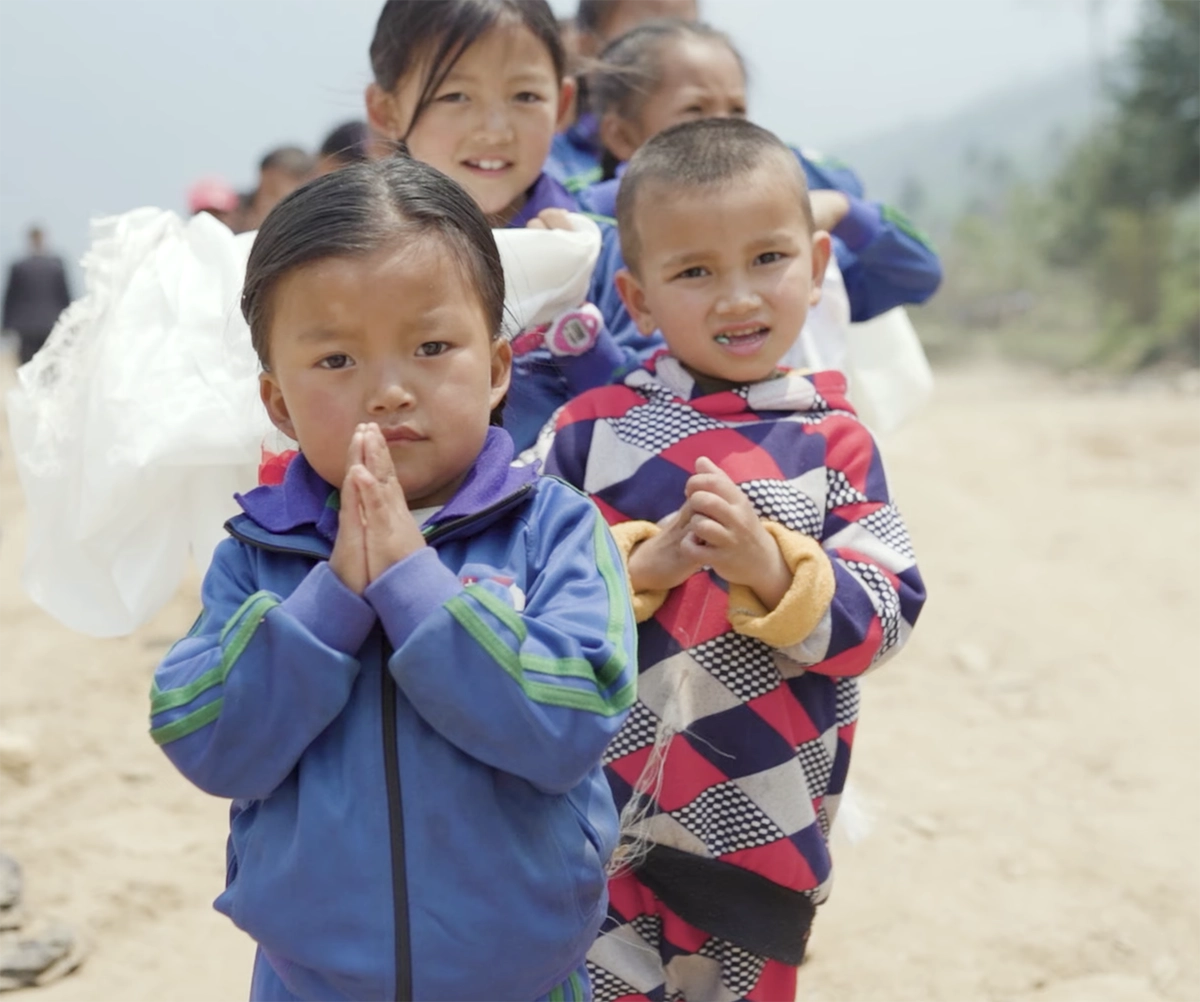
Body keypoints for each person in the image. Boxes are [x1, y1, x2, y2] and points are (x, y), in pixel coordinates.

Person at [148, 156, 637, 1002]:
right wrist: (330, 601)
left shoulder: (554, 529)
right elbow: (206, 738)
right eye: (335, 360)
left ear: (495, 368)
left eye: (432, 346)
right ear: (277, 402)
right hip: (311, 983)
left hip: (523, 979)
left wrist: (415, 587)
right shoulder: (259, 552)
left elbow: (574, 722)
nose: (388, 391)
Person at [542, 119, 926, 1002]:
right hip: (588, 829)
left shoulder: (833, 444)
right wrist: (639, 567)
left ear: (819, 264)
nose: (737, 298)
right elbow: (523, 592)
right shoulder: (589, 435)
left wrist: (773, 568)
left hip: (760, 836)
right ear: (637, 300)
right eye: (694, 272)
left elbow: (887, 615)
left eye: (767, 259)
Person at [363, 0, 648, 450]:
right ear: (386, 109)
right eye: (455, 96)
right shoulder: (355, 260)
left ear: (563, 105)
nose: (494, 129)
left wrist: (572, 318)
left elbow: (662, 415)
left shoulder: (612, 251)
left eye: (525, 96)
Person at [579, 19, 943, 323]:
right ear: (622, 135)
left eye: (736, 109)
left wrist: (843, 209)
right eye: (694, 109)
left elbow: (915, 275)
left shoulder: (780, 221)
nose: (722, 126)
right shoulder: (589, 232)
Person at [547, 0, 700, 190]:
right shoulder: (544, 170)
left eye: (688, 32)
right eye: (647, 36)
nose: (674, 54)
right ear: (588, 49)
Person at [2, 227, 71, 365]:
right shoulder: (56, 266)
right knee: (49, 367)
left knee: (27, 366)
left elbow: (10, 299)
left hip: (25, 326)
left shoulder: (19, 267)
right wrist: (70, 323)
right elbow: (65, 297)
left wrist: (5, 326)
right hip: (51, 324)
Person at [241, 146, 317, 232]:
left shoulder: (303, 222)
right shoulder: (230, 209)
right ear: (266, 172)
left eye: (298, 178)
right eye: (291, 176)